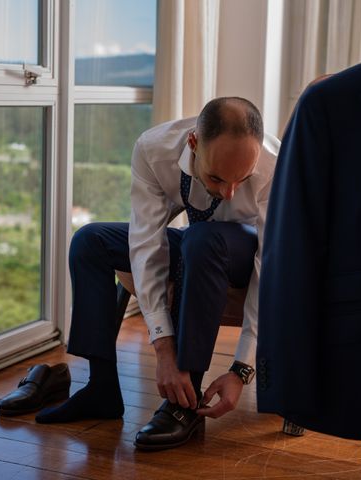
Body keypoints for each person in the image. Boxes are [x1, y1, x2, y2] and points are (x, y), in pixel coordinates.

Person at [35, 97, 280, 451]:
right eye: (217, 177)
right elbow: (146, 246)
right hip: (197, 243)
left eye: (240, 181)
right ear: (194, 143)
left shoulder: (274, 166)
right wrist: (163, 349)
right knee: (90, 241)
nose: (229, 192)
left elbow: (270, 268)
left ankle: (185, 401)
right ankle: (101, 389)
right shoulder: (153, 150)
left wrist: (242, 369)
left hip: (242, 252)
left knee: (201, 239)